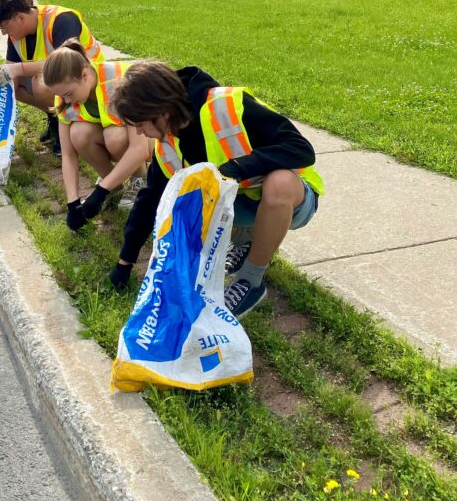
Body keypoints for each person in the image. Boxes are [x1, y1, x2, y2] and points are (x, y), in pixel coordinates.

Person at [108, 60, 324, 319]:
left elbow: (301, 149)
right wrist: (125, 261)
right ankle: (248, 241)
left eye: (140, 123)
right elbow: (148, 202)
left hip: (293, 199)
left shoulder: (227, 107)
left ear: (161, 110)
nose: (140, 132)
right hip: (242, 204)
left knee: (278, 182)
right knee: (185, 203)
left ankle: (251, 281)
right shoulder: (166, 145)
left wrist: (236, 167)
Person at [42, 41, 150, 231]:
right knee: (78, 133)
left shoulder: (119, 82)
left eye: (68, 94)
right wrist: (72, 203)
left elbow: (139, 148)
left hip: (154, 139)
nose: (66, 100)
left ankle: (140, 179)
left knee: (115, 137)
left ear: (84, 75)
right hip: (128, 140)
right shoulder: (65, 94)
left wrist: (100, 192)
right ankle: (115, 187)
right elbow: (68, 155)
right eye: (61, 96)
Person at [0, 0, 102, 154]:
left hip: (88, 80)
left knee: (41, 84)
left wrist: (18, 68)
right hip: (61, 81)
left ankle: (64, 127)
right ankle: (55, 118)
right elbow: (12, 76)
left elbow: (65, 63)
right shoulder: (16, 36)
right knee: (13, 86)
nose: (4, 33)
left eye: (5, 27)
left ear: (20, 18)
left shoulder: (61, 19)